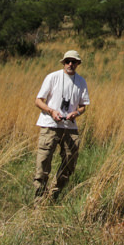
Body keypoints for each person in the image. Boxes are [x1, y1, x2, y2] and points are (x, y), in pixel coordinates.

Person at [33, 49, 90, 200]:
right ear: (63, 62)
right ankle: (39, 199)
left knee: (70, 162)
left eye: (74, 62)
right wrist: (51, 111)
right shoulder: (52, 77)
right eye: (67, 61)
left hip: (70, 127)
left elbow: (83, 106)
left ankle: (54, 194)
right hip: (50, 125)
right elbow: (38, 101)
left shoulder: (81, 81)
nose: (70, 64)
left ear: (78, 64)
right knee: (43, 162)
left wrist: (76, 113)